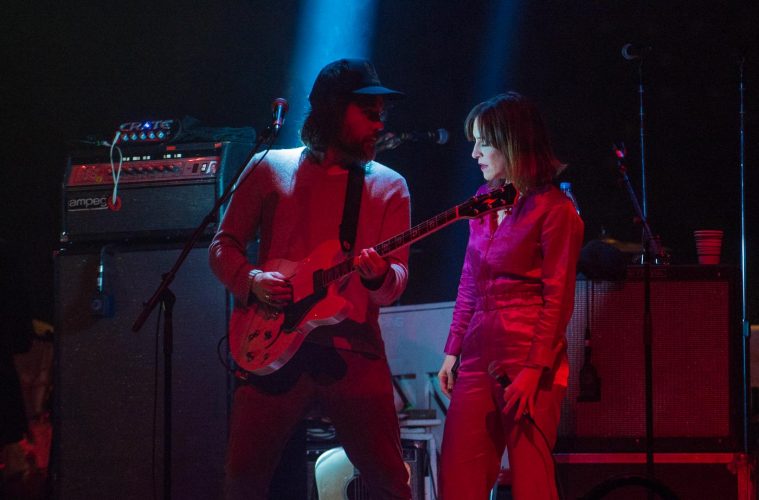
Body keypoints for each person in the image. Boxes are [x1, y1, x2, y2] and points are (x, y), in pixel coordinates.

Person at [209, 58, 412, 500]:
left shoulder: (390, 186)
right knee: (243, 480)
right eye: (369, 114)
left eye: (382, 115)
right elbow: (223, 246)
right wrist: (252, 280)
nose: (380, 125)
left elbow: (396, 282)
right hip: (270, 343)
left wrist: (379, 277)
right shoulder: (268, 167)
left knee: (389, 482)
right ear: (334, 111)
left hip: (353, 347)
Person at [437, 92, 584, 500]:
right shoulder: (483, 203)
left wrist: (534, 370)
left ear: (512, 143)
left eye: (483, 143)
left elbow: (558, 299)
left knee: (532, 481)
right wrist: (452, 350)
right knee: (458, 476)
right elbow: (470, 281)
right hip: (476, 354)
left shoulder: (555, 210)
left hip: (527, 356)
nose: (474, 154)